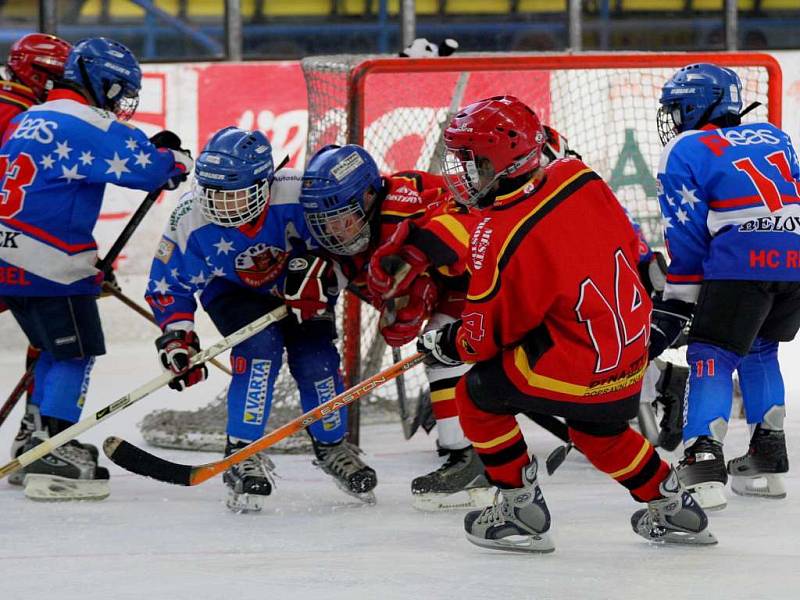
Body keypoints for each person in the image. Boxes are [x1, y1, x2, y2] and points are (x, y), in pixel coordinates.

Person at [416, 95, 715, 552]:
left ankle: (519, 510)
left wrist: (447, 343)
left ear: (499, 160)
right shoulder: (581, 176)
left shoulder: (498, 233)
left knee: (476, 396)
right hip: (629, 353)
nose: (463, 173)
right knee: (601, 433)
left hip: (578, 360)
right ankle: (675, 508)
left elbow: (484, 337)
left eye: (472, 161)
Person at [144, 126, 376, 513]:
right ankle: (242, 452)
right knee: (259, 349)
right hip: (232, 292)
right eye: (213, 193)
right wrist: (178, 338)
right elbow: (169, 283)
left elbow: (345, 243)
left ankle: (333, 445)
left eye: (233, 195)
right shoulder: (189, 215)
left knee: (317, 358)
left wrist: (324, 273)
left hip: (303, 288)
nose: (221, 206)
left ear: (265, 184)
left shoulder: (302, 193)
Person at [0, 37, 192, 501]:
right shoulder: (87, 120)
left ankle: (37, 441)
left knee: (48, 346)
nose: (117, 101)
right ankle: (55, 454)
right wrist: (176, 158)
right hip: (48, 262)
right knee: (74, 352)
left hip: (6, 252)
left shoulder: (29, 116)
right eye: (117, 90)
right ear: (99, 82)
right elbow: (151, 169)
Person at [298, 142, 493, 511]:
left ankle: (475, 454)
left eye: (342, 217)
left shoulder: (407, 199)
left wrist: (418, 252)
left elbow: (473, 224)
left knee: (444, 343)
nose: (335, 231)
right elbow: (413, 296)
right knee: (439, 343)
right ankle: (469, 455)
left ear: (369, 195)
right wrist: (407, 307)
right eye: (326, 223)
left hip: (505, 282)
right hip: (467, 290)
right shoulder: (351, 244)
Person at [650, 63, 798, 509]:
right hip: (795, 260)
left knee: (710, 355)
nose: (673, 119)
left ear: (698, 104)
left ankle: (702, 461)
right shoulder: (775, 134)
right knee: (759, 349)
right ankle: (768, 456)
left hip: (741, 264)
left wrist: (678, 298)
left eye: (678, 109)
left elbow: (687, 235)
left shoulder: (684, 148)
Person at [0, 33, 72, 483]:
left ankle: (33, 435)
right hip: (13, 246)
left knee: (48, 332)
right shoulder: (28, 119)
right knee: (56, 332)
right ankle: (35, 436)